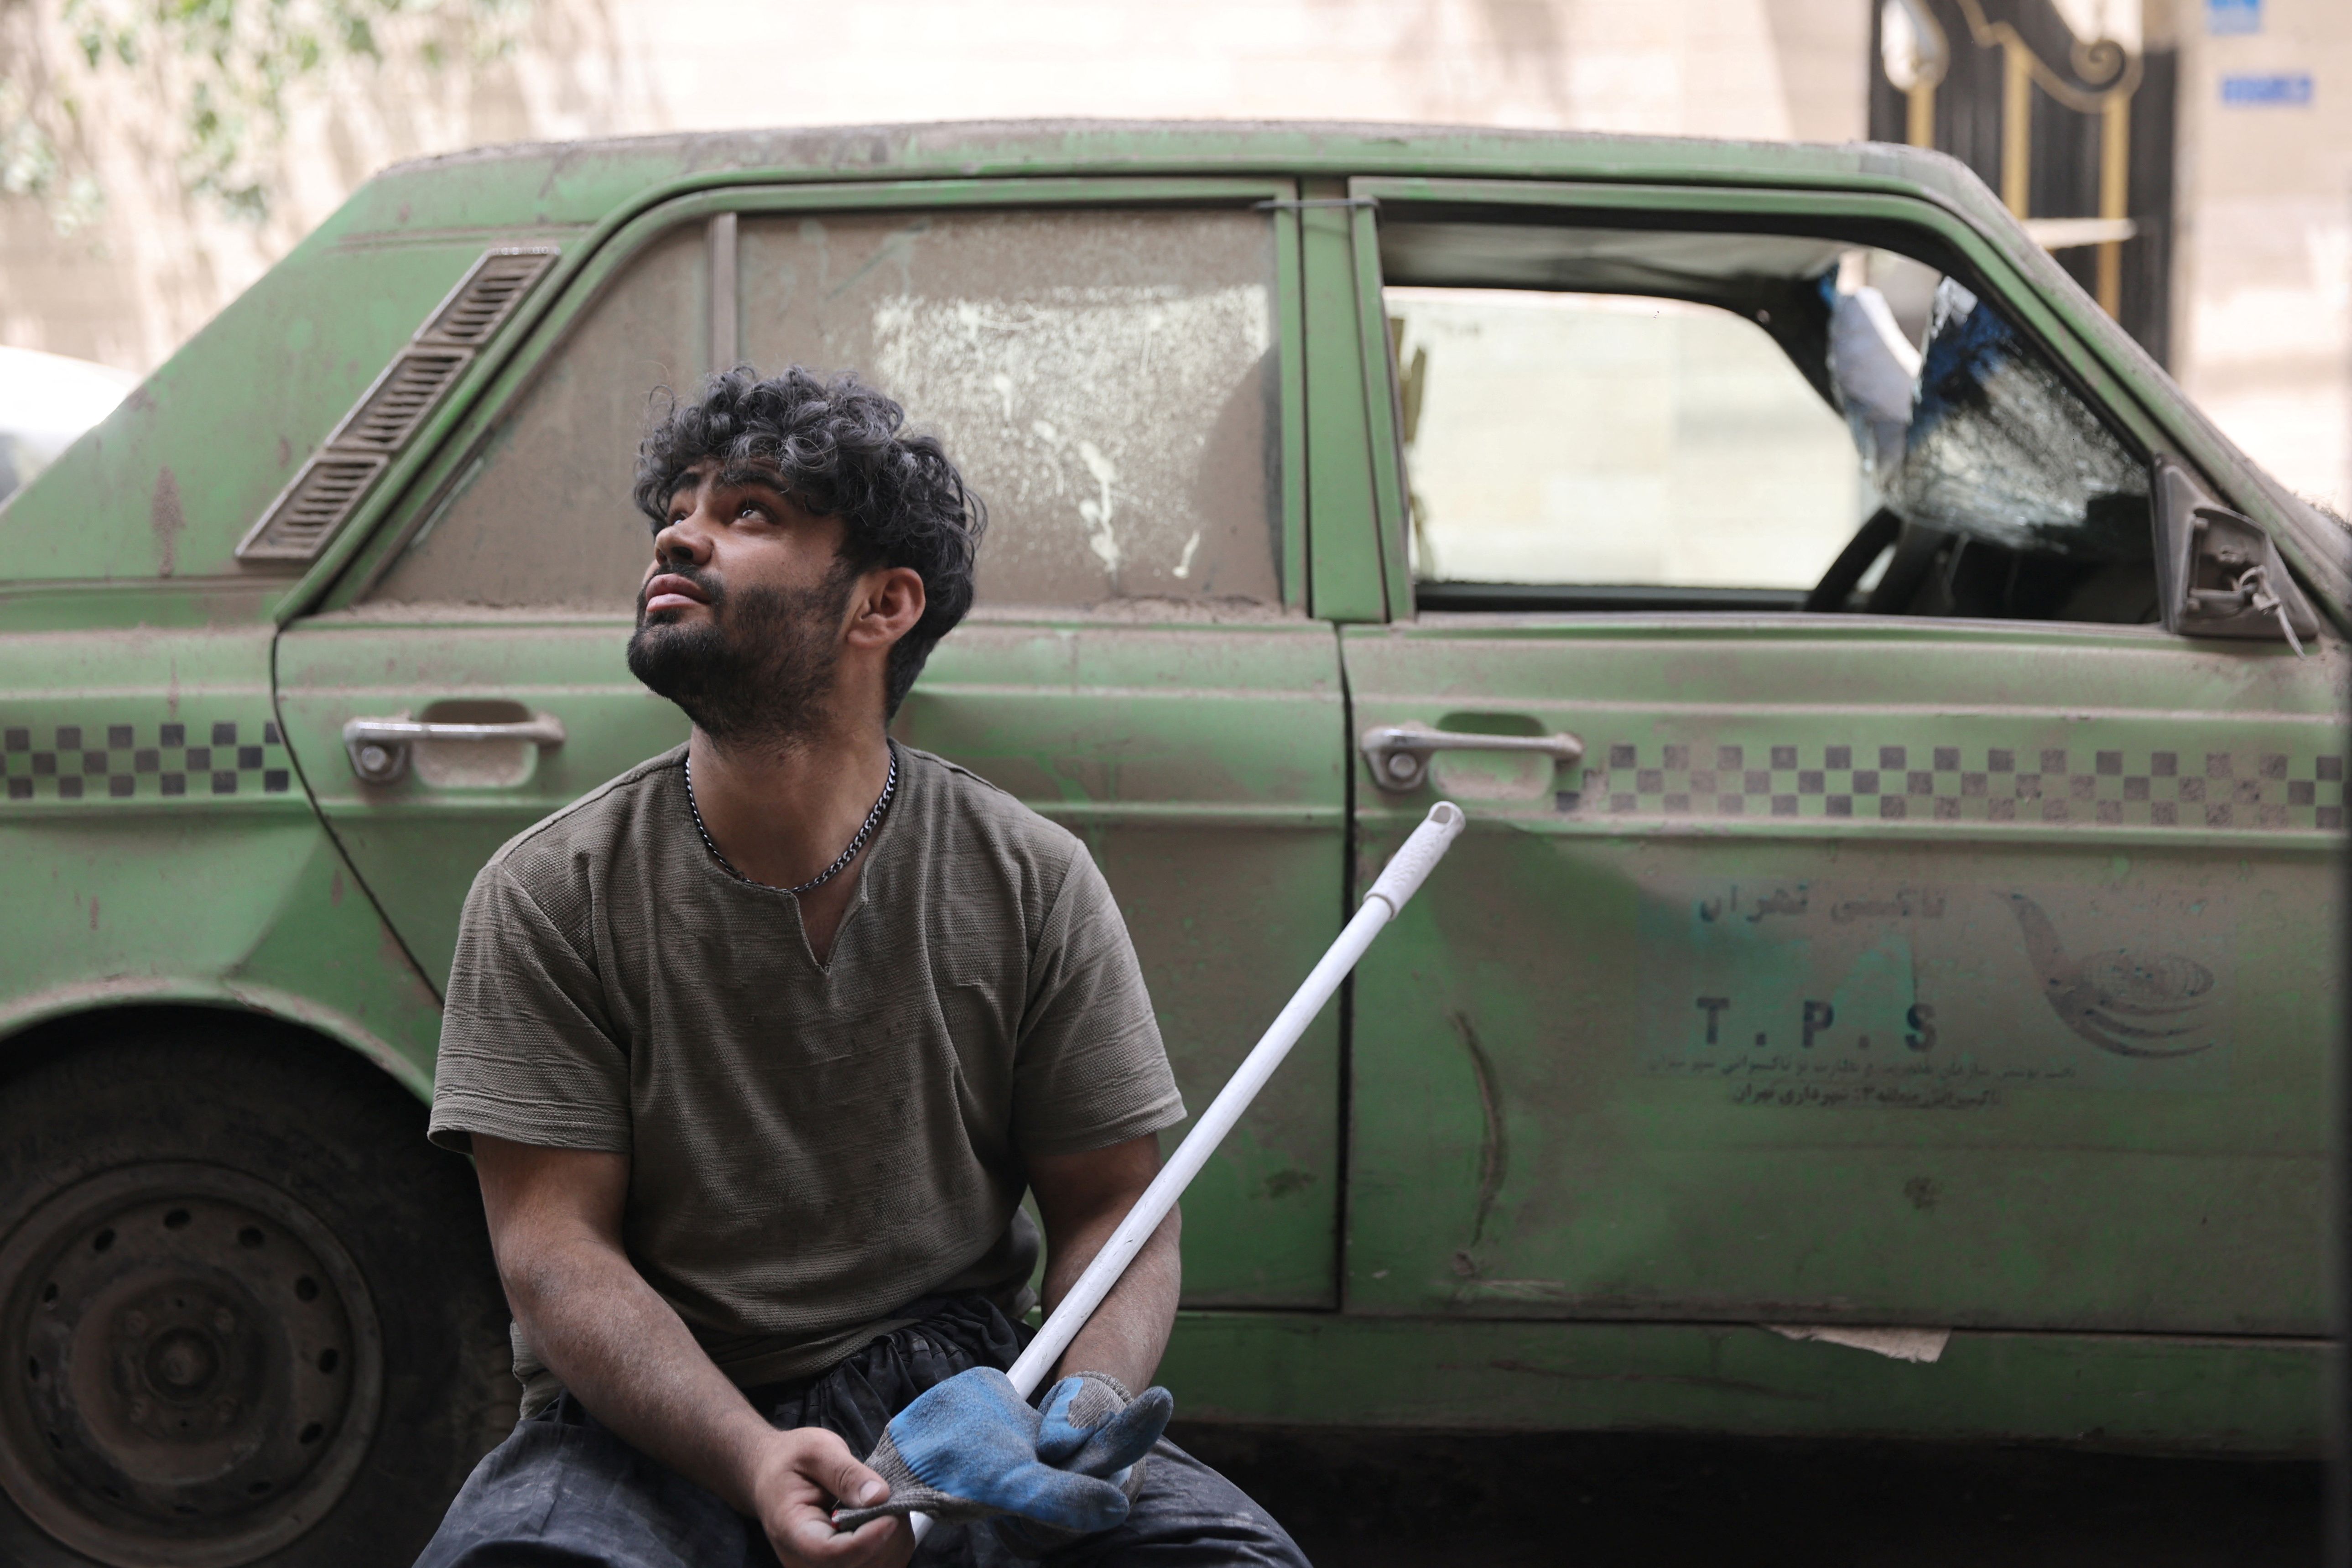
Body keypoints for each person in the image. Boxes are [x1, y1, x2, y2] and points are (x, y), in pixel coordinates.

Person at [412, 367, 1310, 1568]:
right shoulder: (547, 894)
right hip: (649, 1410)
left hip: (958, 1397)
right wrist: (748, 1455)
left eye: (750, 513)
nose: (680, 531)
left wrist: (1074, 1410)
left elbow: (1116, 1210)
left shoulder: (1029, 878)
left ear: (880, 605)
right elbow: (556, 1260)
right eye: (678, 505)